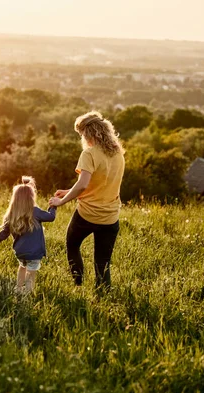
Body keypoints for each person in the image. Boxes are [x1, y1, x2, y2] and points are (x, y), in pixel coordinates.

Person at [49, 111, 125, 290]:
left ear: (89, 133)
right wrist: (69, 191)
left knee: (72, 244)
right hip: (110, 217)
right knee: (103, 261)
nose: (82, 139)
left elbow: (83, 185)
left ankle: (78, 285)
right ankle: (104, 295)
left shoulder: (89, 154)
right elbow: (100, 183)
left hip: (87, 215)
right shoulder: (118, 154)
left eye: (82, 135)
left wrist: (61, 201)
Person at [0, 176, 56, 293]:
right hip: (34, 252)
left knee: (22, 267)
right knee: (31, 272)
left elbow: (4, 234)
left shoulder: (12, 214)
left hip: (20, 251)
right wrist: (53, 206)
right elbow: (51, 217)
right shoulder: (35, 211)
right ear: (31, 198)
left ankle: (18, 288)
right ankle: (27, 292)